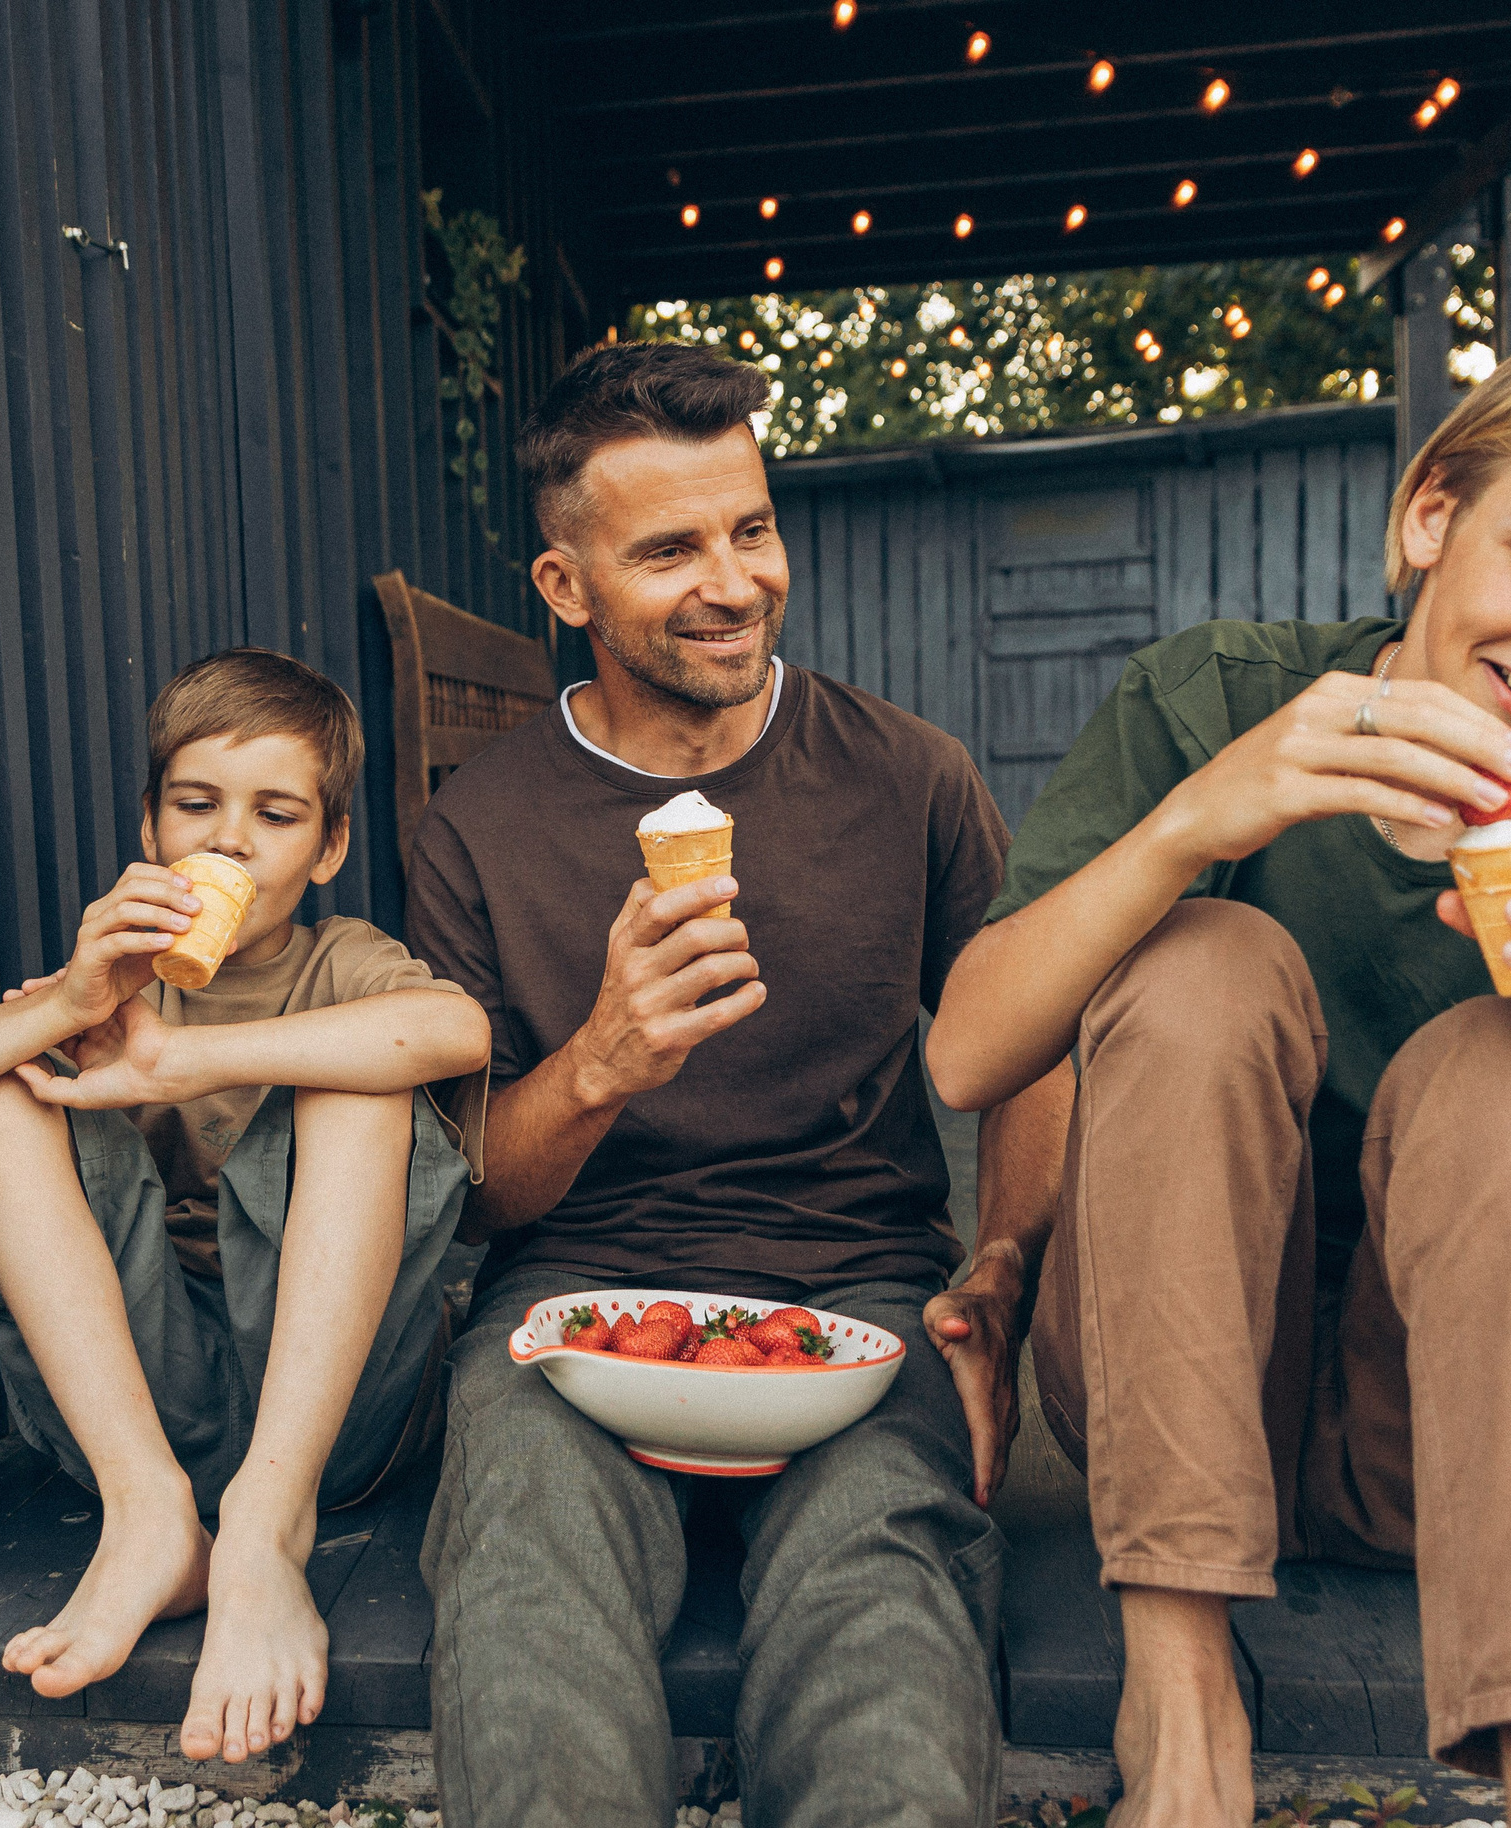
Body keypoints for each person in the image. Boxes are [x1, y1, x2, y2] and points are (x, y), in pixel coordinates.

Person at [926, 307, 1511, 1828]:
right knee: (1204, 960)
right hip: (1164, 1404)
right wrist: (1202, 821)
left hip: (1455, 1441)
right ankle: (1184, 1714)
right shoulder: (1214, 696)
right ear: (1432, 511)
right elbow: (969, 1055)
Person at [406, 340, 1068, 1828]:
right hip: (572, 1310)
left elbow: (1031, 1045)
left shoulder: (909, 776)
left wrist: (1002, 1279)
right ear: (565, 587)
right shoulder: (476, 828)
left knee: (887, 1616)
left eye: (750, 528)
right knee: (520, 1573)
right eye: (669, 549)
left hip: (859, 1294)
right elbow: (477, 1194)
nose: (734, 580)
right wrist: (601, 1063)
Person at [0, 648, 490, 1765]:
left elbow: (456, 1034)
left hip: (335, 1420)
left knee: (359, 1083)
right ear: (152, 825)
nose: (229, 838)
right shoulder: (110, 979)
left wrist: (176, 1062)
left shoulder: (345, 961)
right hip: (142, 1418)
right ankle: (152, 1525)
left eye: (275, 814)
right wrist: (64, 1006)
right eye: (197, 804)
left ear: (327, 847)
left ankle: (265, 1538)